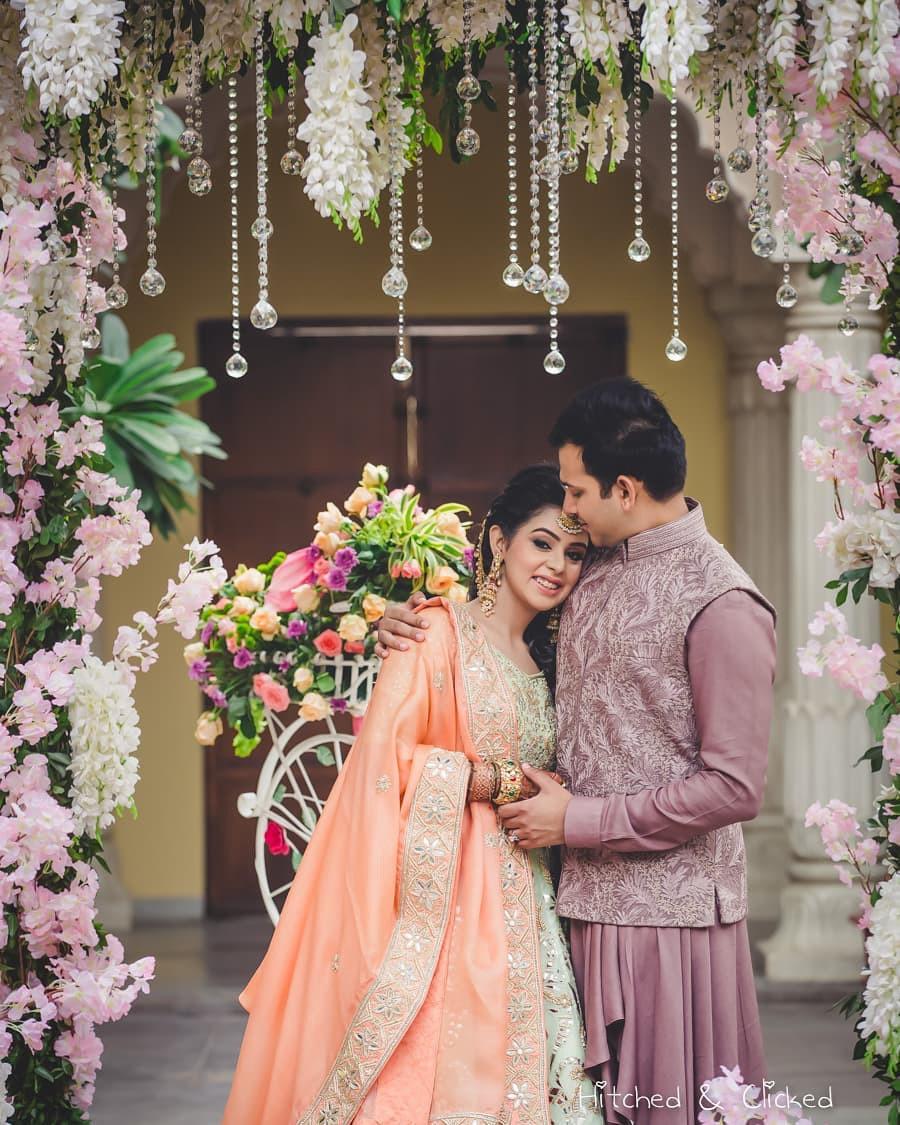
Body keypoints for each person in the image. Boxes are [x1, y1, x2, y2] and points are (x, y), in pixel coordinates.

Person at [378, 378, 777, 1125]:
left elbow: (734, 786)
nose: (566, 507)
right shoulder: (591, 567)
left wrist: (579, 820)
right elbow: (496, 627)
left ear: (623, 489)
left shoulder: (722, 602)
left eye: (575, 489)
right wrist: (398, 622)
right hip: (576, 906)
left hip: (671, 922)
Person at [222, 465, 605, 1125]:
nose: (557, 565)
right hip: (441, 916)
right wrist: (493, 779)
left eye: (574, 553)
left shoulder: (555, 656)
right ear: (496, 541)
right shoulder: (433, 635)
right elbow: (384, 766)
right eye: (541, 542)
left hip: (531, 904)